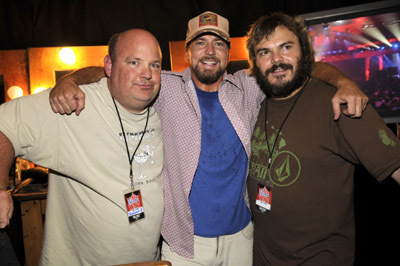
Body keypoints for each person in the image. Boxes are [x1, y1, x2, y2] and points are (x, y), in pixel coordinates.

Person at [47, 12, 368, 266]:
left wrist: (343, 82)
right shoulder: (164, 87)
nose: (210, 52)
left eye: (218, 43)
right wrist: (71, 80)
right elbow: (115, 72)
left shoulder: (249, 87)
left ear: (230, 52)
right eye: (201, 43)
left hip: (243, 240)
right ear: (187, 52)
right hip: (184, 244)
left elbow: (304, 69)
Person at [245, 12, 400, 266]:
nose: (276, 60)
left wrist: (342, 81)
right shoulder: (255, 103)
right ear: (255, 61)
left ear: (304, 52)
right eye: (264, 52)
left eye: (286, 47)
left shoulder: (338, 104)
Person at [0, 29, 164, 265]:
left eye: (154, 65)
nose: (146, 74)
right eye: (134, 62)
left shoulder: (163, 105)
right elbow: (4, 124)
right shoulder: (75, 104)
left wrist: (74, 76)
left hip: (148, 261)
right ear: (109, 65)